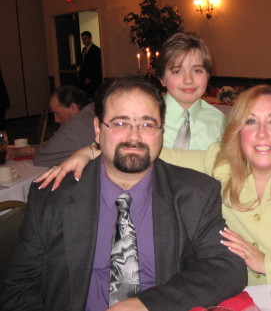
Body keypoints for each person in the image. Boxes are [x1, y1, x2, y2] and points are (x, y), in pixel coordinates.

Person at [36, 84, 271, 287]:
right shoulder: (221, 160)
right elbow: (152, 151)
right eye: (251, 121)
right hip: (230, 297)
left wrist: (266, 262)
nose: (262, 133)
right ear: (237, 131)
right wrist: (91, 150)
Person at [0, 76, 247, 311]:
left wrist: (148, 304)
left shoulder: (195, 194)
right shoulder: (53, 196)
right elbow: (19, 289)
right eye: (120, 123)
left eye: (147, 124)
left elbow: (227, 267)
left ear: (161, 132)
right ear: (98, 129)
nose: (134, 136)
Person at [155, 33, 225, 150]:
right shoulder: (146, 117)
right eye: (177, 71)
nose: (188, 80)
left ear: (207, 75)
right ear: (162, 79)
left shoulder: (219, 122)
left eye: (197, 70)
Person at [7, 85, 95, 167]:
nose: (56, 120)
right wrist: (16, 152)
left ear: (73, 108)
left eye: (57, 113)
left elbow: (41, 158)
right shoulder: (93, 110)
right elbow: (53, 145)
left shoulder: (75, 125)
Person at [79, 30, 102, 100]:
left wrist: (90, 77)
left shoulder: (96, 50)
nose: (83, 41)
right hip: (84, 77)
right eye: (82, 39)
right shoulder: (84, 50)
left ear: (90, 38)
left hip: (93, 79)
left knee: (92, 95)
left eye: (85, 39)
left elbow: (96, 65)